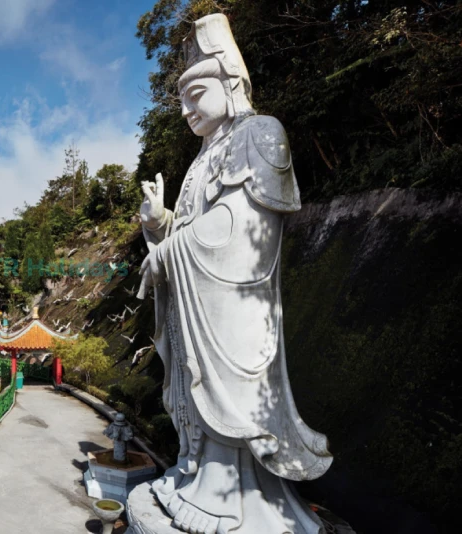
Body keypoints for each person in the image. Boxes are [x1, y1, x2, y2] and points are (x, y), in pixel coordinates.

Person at [135, 13, 332, 534]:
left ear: (231, 83)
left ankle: (233, 497)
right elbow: (196, 227)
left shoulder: (261, 134)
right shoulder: (201, 162)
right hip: (199, 304)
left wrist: (170, 250)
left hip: (235, 306)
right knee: (194, 400)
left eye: (194, 93)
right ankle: (195, 473)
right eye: (180, 99)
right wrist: (162, 226)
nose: (184, 109)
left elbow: (240, 227)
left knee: (233, 407)